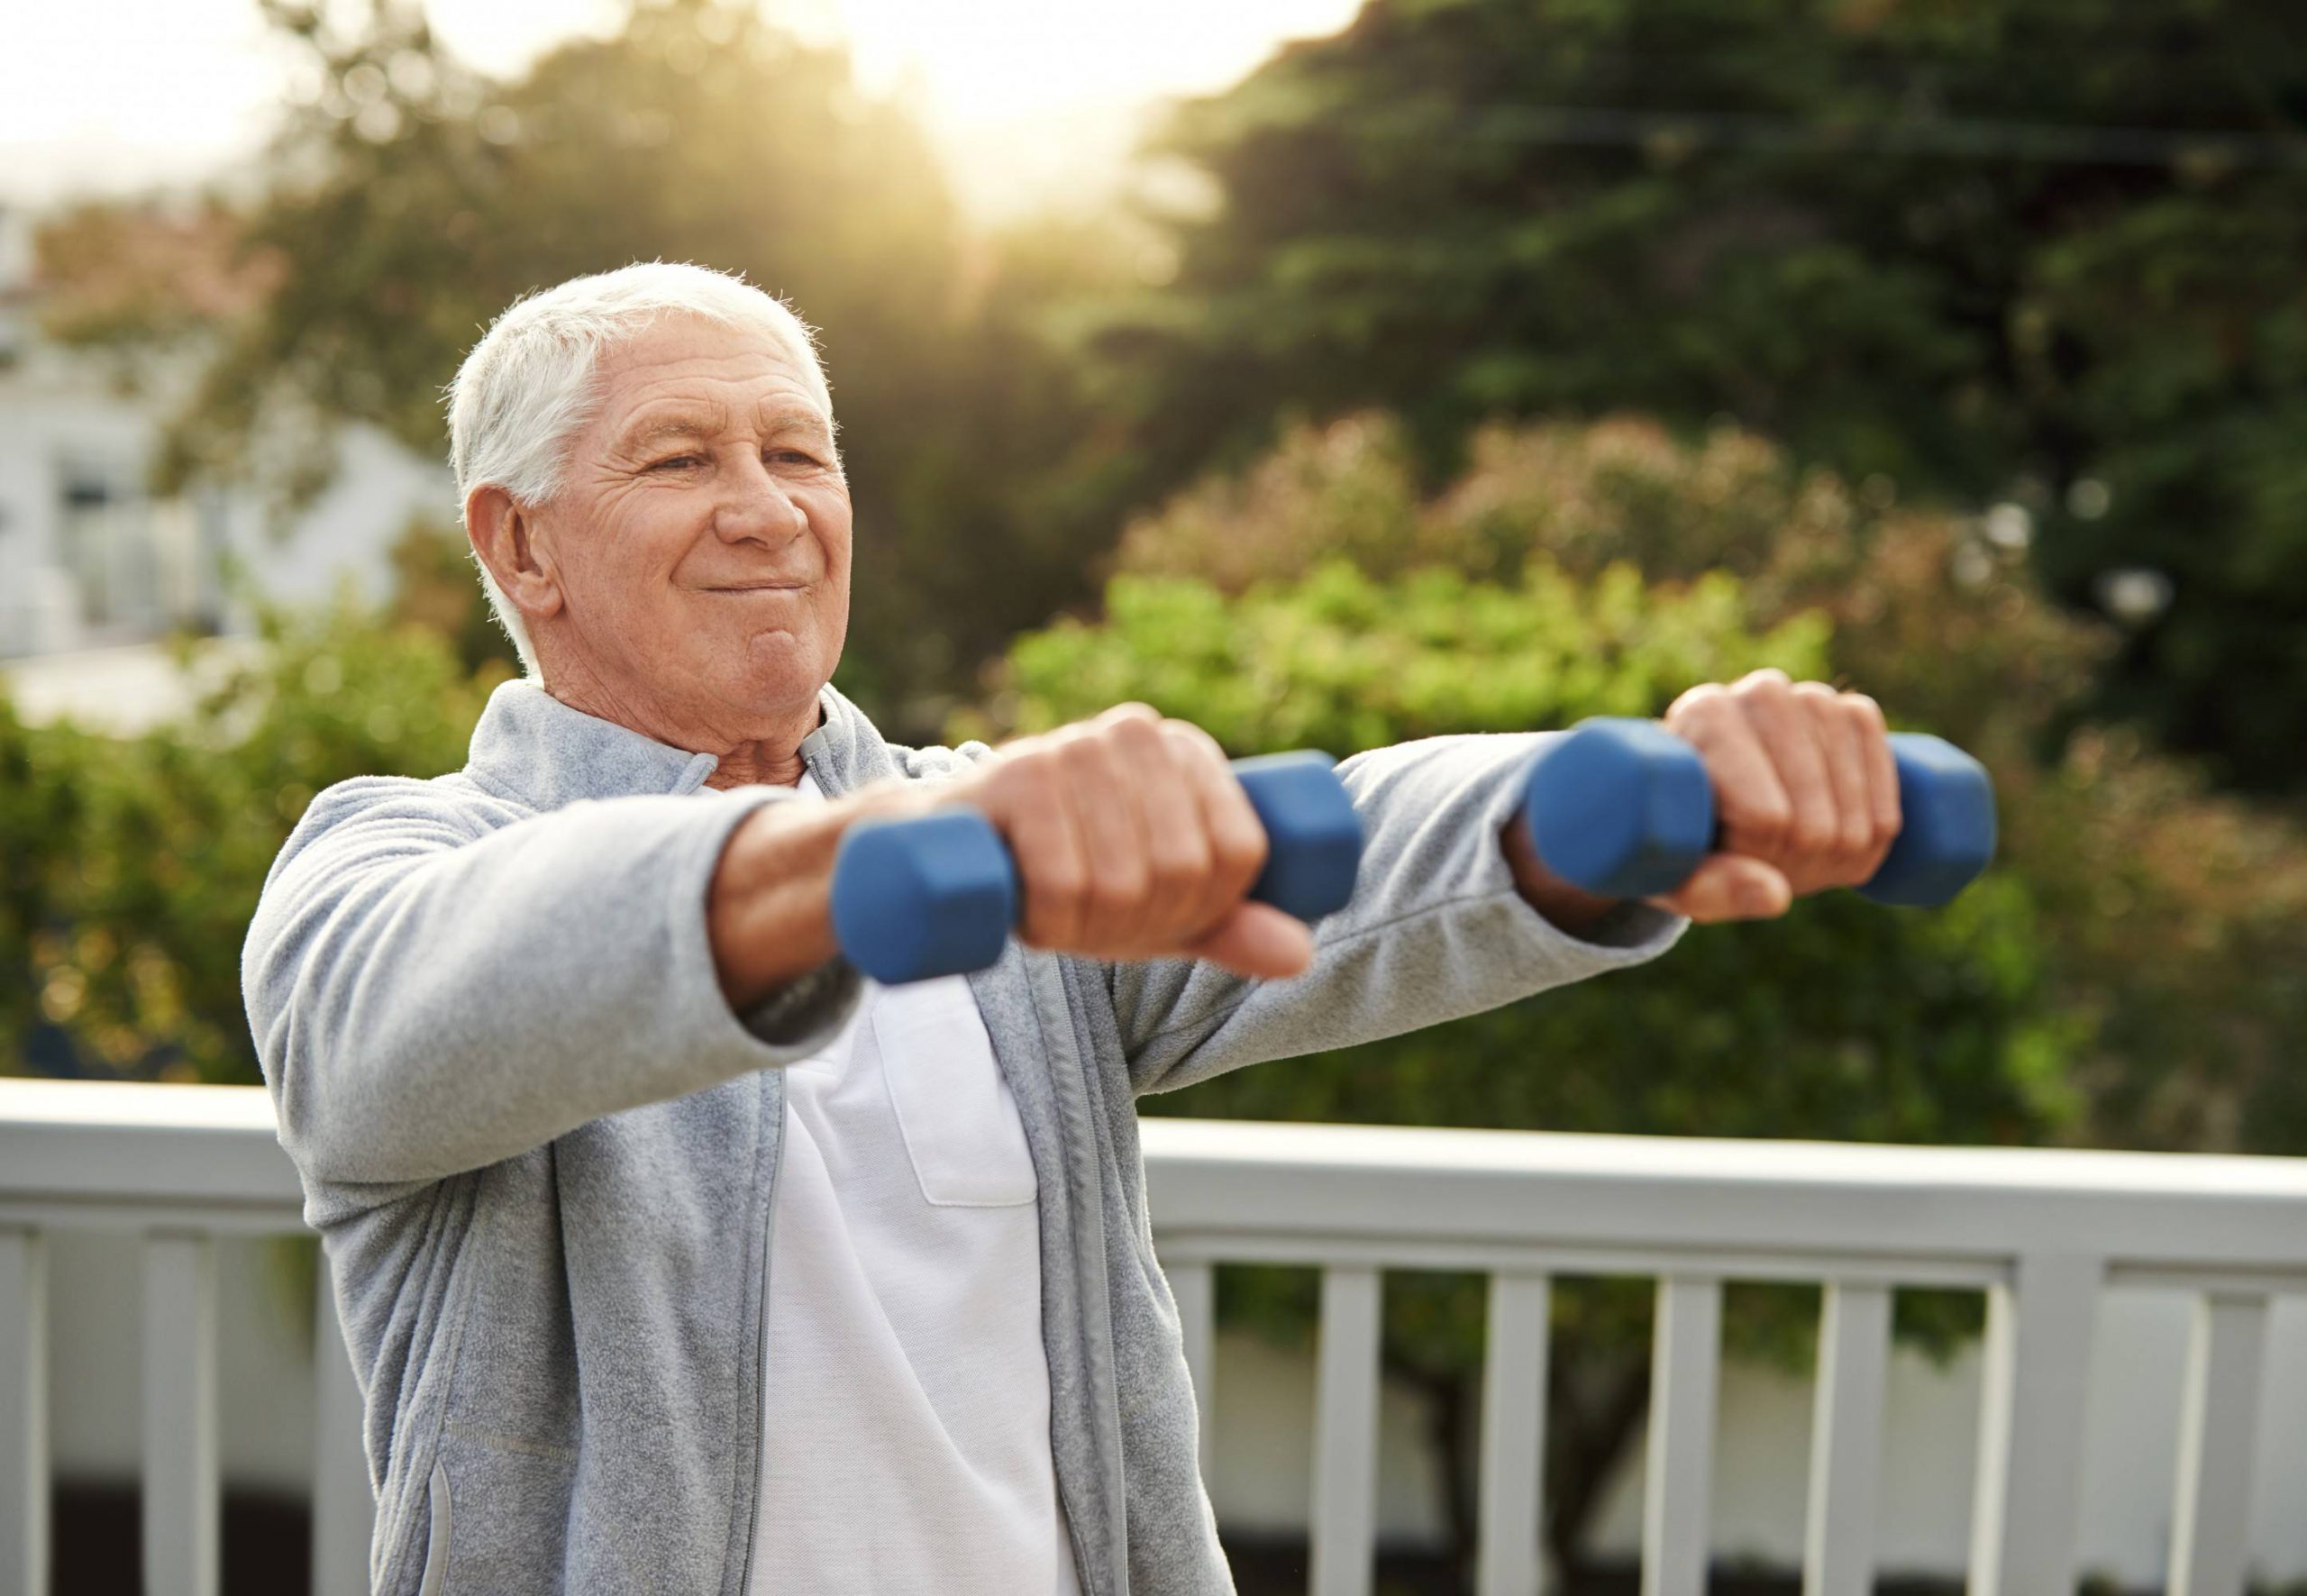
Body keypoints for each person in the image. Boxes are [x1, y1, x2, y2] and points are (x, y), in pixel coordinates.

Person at [243, 262, 1907, 1596]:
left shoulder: (1001, 846)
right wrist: (863, 865)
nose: (767, 510)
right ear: (518, 542)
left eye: (798, 452)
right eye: (682, 459)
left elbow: (1331, 842)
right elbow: (425, 1000)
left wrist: (1619, 802)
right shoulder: (392, 863)